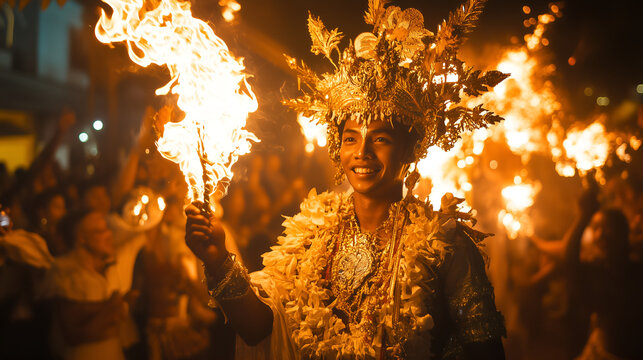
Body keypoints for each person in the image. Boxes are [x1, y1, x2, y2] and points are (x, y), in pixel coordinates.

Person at [185, 1, 507, 358]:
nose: (362, 152)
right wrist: (217, 259)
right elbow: (259, 329)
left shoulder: (446, 246)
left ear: (409, 152)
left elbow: (486, 351)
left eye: (380, 139)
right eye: (351, 138)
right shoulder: (309, 234)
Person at [42, 210, 139, 360]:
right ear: (81, 238)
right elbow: (73, 336)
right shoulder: (64, 270)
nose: (108, 235)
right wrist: (112, 307)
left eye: (107, 228)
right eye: (99, 231)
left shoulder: (110, 266)